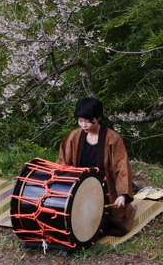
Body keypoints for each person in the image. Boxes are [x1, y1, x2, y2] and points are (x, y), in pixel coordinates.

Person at [57, 96, 135, 235]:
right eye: (80, 121)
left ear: (98, 117)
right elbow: (63, 163)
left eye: (88, 121)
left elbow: (122, 168)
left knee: (110, 225)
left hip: (105, 190)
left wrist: (122, 195)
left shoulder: (113, 139)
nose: (84, 125)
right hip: (79, 187)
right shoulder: (74, 137)